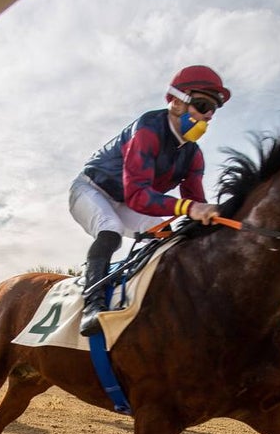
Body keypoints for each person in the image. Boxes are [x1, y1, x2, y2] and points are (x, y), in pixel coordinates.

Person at [69, 65, 231, 335]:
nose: (208, 116)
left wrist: (215, 219)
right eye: (203, 105)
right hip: (92, 190)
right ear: (176, 102)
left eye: (213, 110)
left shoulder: (194, 154)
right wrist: (190, 208)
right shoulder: (148, 129)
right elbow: (138, 194)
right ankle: (92, 305)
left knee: (169, 238)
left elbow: (194, 204)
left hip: (129, 202)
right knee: (110, 230)